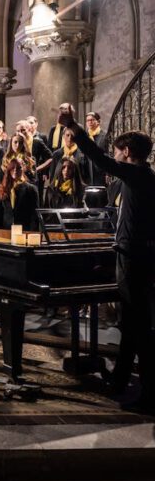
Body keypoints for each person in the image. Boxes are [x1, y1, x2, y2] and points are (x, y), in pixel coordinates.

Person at [59, 103, 155, 413]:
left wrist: (73, 126)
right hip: (135, 253)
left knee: (139, 325)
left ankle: (148, 393)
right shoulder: (142, 177)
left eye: (118, 151)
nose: (115, 156)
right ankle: (121, 378)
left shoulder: (138, 173)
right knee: (131, 321)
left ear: (127, 151)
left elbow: (99, 159)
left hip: (133, 256)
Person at [0, 158, 39, 230]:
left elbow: (34, 215)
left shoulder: (31, 189)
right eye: (13, 168)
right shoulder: (2, 188)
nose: (15, 170)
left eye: (18, 168)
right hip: (6, 229)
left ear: (23, 169)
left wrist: (33, 231)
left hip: (24, 229)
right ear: (9, 170)